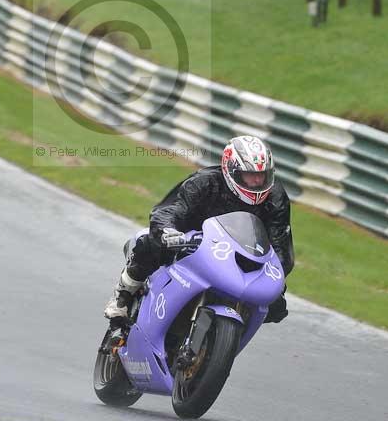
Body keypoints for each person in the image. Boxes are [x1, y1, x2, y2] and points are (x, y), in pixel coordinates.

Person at [104, 135, 294, 325]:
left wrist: (276, 278)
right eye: (250, 175)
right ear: (231, 170)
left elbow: (280, 245)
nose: (257, 182)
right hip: (191, 243)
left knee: (276, 306)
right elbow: (169, 210)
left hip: (238, 255)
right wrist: (168, 232)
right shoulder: (204, 182)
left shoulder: (275, 197)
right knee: (148, 241)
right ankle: (124, 294)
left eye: (262, 175)